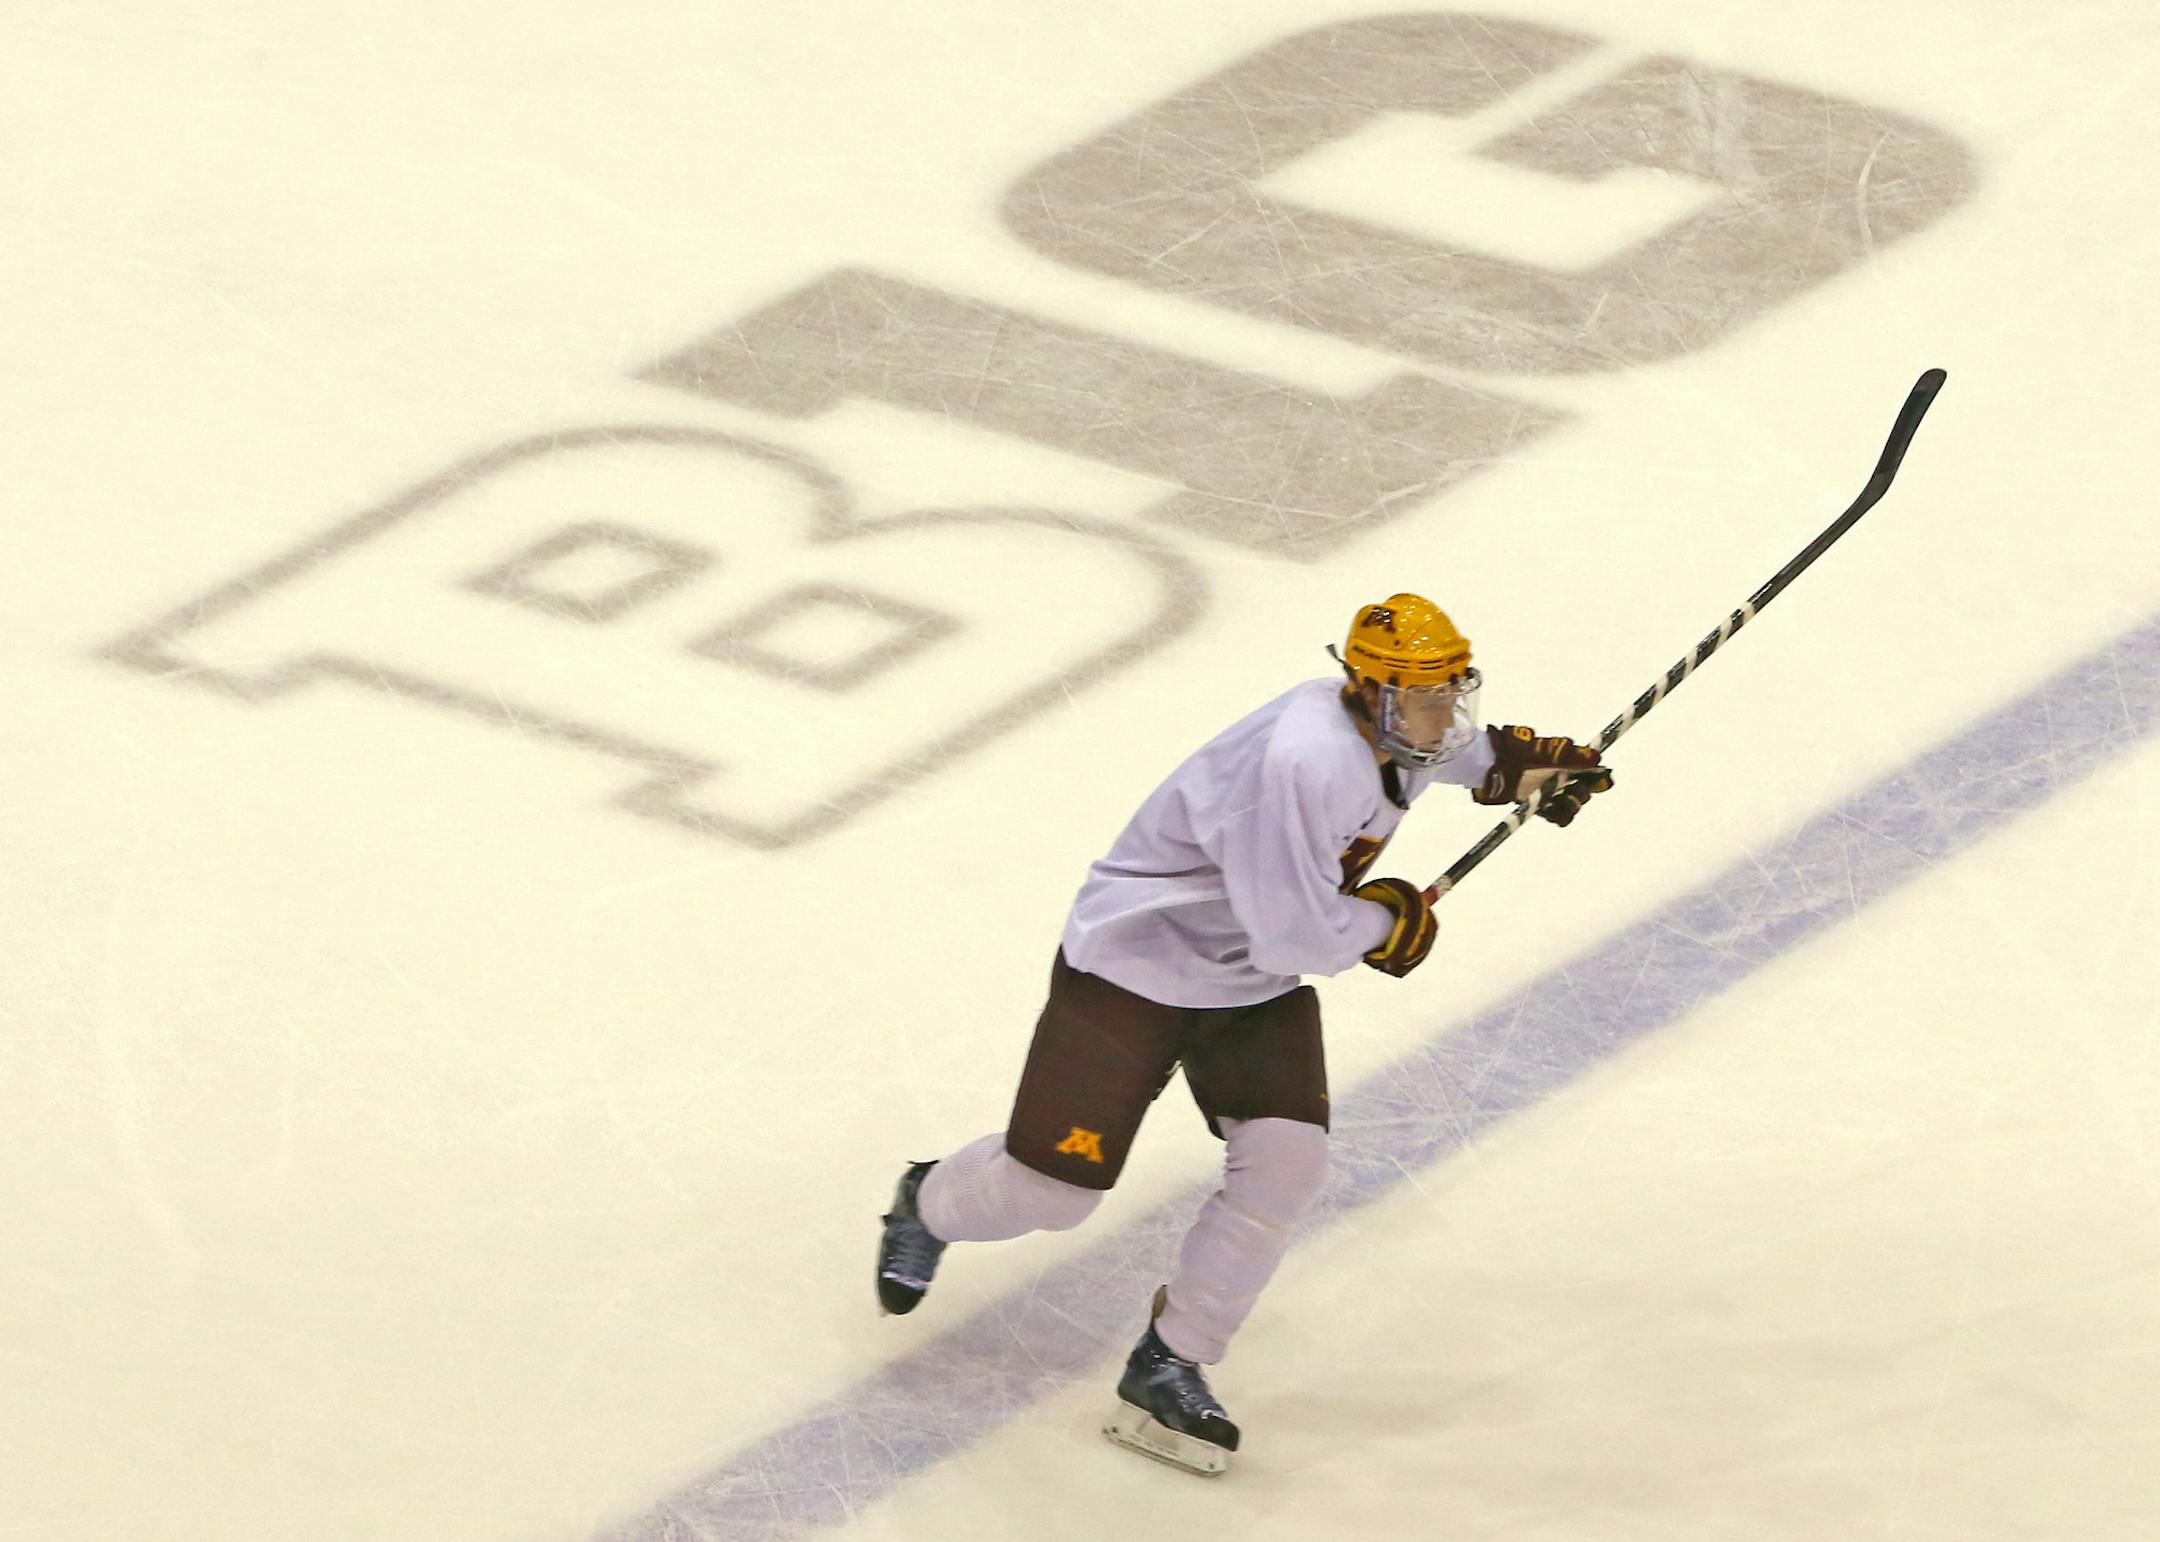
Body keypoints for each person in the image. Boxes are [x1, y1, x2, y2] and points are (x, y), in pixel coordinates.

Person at [874, 594, 1612, 1474]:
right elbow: (1293, 939)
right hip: (1136, 967)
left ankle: (1171, 1360)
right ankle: (927, 1199)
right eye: (1425, 696)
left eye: (1453, 691)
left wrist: (1515, 769)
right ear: (1369, 692)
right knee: (1052, 1196)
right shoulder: (1304, 761)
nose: (1444, 713)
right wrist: (1384, 922)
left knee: (1287, 1165)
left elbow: (1450, 756)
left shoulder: (1394, 730)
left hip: (1243, 981)